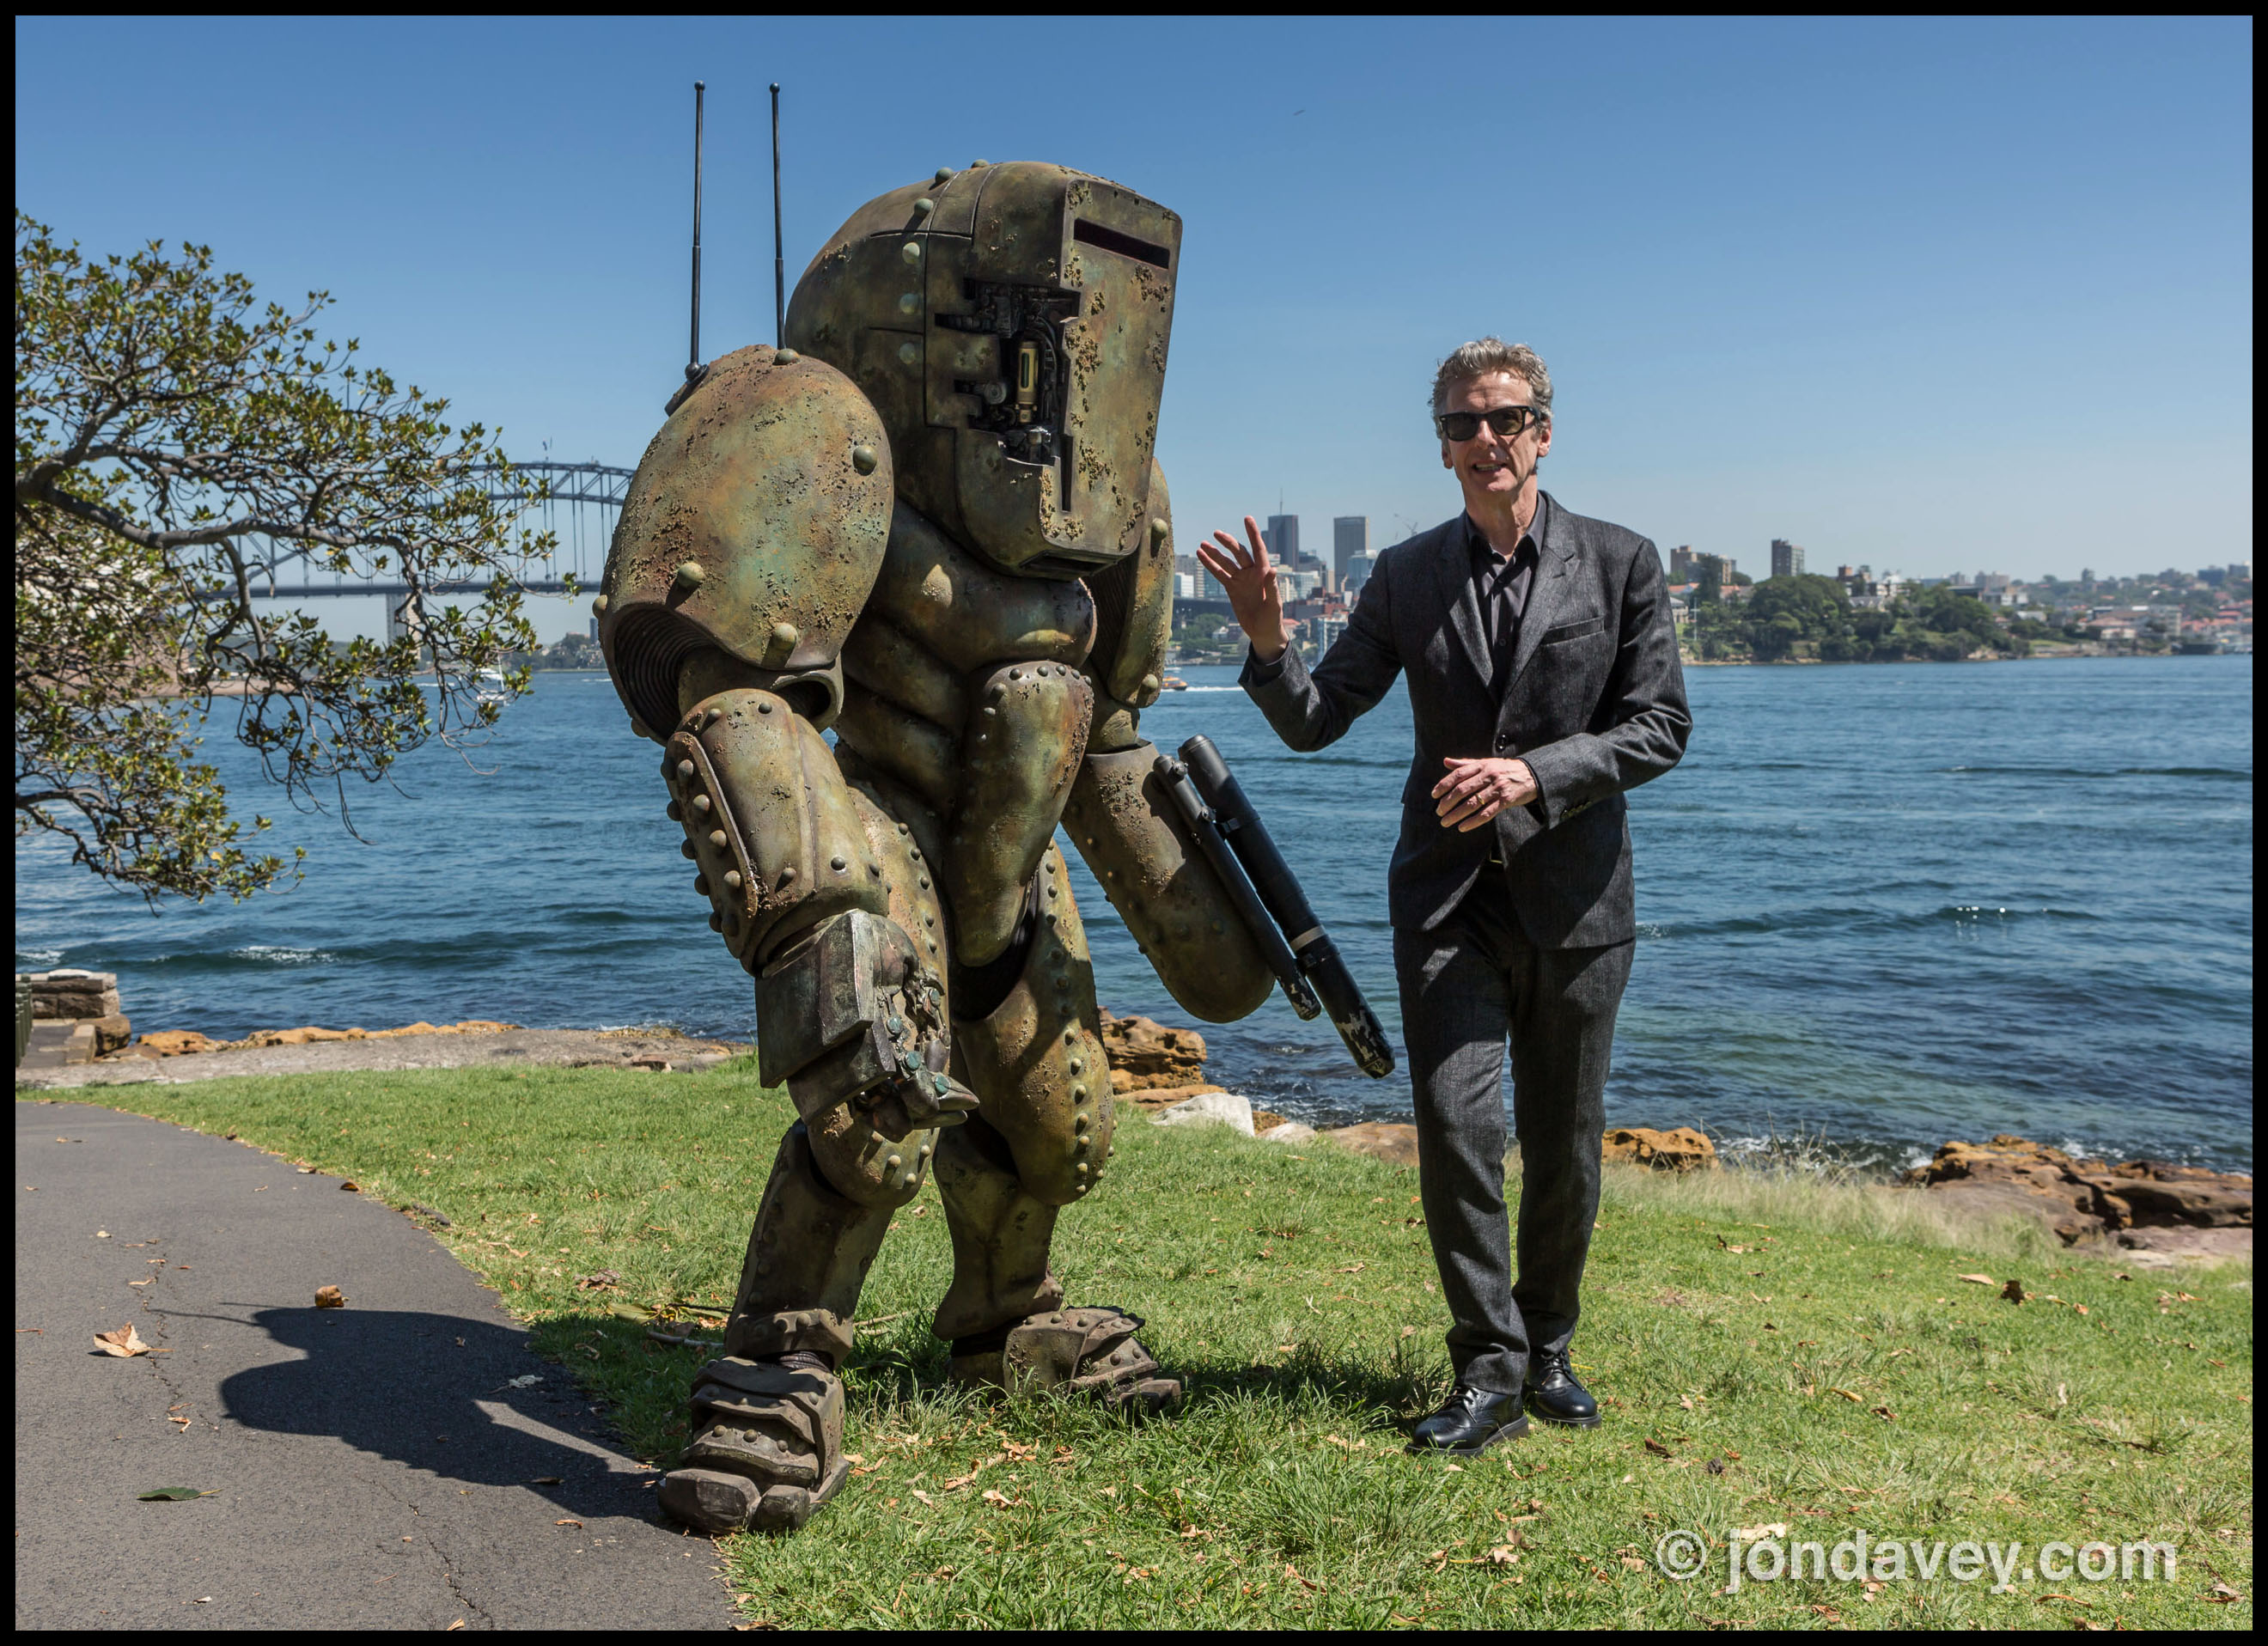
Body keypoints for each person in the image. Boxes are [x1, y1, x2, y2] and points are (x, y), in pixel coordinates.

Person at [1196, 338, 1690, 1455]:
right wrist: (1272, 643)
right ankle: (1488, 1372)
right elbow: (1319, 720)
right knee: (1458, 1133)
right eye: (1462, 426)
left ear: (1543, 432)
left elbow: (1659, 728)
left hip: (1577, 904)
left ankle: (1549, 1340)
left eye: (1505, 420)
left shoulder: (1622, 561)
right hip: (1446, 899)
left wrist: (1534, 775)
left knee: (1563, 1145)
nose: (1485, 441)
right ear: (1443, 447)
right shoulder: (1408, 574)